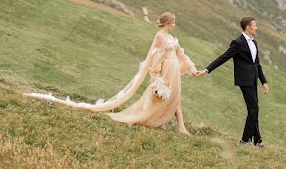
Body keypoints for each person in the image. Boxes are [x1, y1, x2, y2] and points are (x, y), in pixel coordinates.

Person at [23, 12, 198, 134]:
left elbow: (180, 52)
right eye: (173, 22)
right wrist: (156, 76)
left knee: (175, 96)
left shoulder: (171, 38)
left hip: (174, 68)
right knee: (161, 97)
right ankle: (167, 123)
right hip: (166, 68)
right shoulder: (160, 36)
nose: (175, 25)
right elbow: (156, 56)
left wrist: (191, 68)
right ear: (167, 22)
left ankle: (177, 125)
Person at [195, 16, 270, 146]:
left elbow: (257, 63)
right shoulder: (238, 42)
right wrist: (207, 70)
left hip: (253, 80)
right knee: (253, 110)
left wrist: (263, 81)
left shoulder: (254, 42)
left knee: (254, 109)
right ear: (248, 27)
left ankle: (257, 141)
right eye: (254, 25)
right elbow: (223, 57)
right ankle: (244, 141)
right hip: (245, 80)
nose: (256, 27)